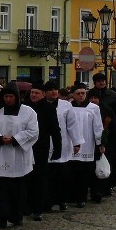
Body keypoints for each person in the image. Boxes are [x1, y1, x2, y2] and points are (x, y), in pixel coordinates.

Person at [0, 82, 39, 228]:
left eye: (11, 96)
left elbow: (33, 131)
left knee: (18, 188)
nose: (8, 99)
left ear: (17, 97)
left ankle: (16, 216)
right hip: (1, 153)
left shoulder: (28, 112)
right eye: (6, 96)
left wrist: (16, 139)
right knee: (1, 189)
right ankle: (1, 217)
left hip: (19, 154)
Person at [26, 81, 61, 220]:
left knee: (39, 179)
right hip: (26, 147)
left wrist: (58, 148)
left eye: (36, 93)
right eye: (32, 92)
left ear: (43, 94)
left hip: (41, 148)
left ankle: (38, 208)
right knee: (26, 178)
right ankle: (26, 206)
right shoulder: (25, 107)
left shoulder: (48, 108)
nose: (33, 95)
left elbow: (55, 129)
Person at [46, 81, 81, 211]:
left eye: (56, 89)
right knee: (48, 176)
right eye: (50, 89)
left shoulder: (65, 105)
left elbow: (72, 124)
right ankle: (48, 201)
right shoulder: (41, 105)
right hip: (46, 143)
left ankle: (62, 200)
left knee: (63, 175)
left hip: (63, 143)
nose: (54, 92)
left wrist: (76, 142)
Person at [70, 83, 103, 207]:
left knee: (85, 173)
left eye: (83, 93)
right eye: (78, 93)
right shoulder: (69, 107)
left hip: (88, 144)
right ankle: (71, 196)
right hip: (72, 144)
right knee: (72, 172)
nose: (81, 96)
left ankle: (82, 198)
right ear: (73, 94)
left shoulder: (93, 108)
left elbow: (98, 126)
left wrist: (100, 143)